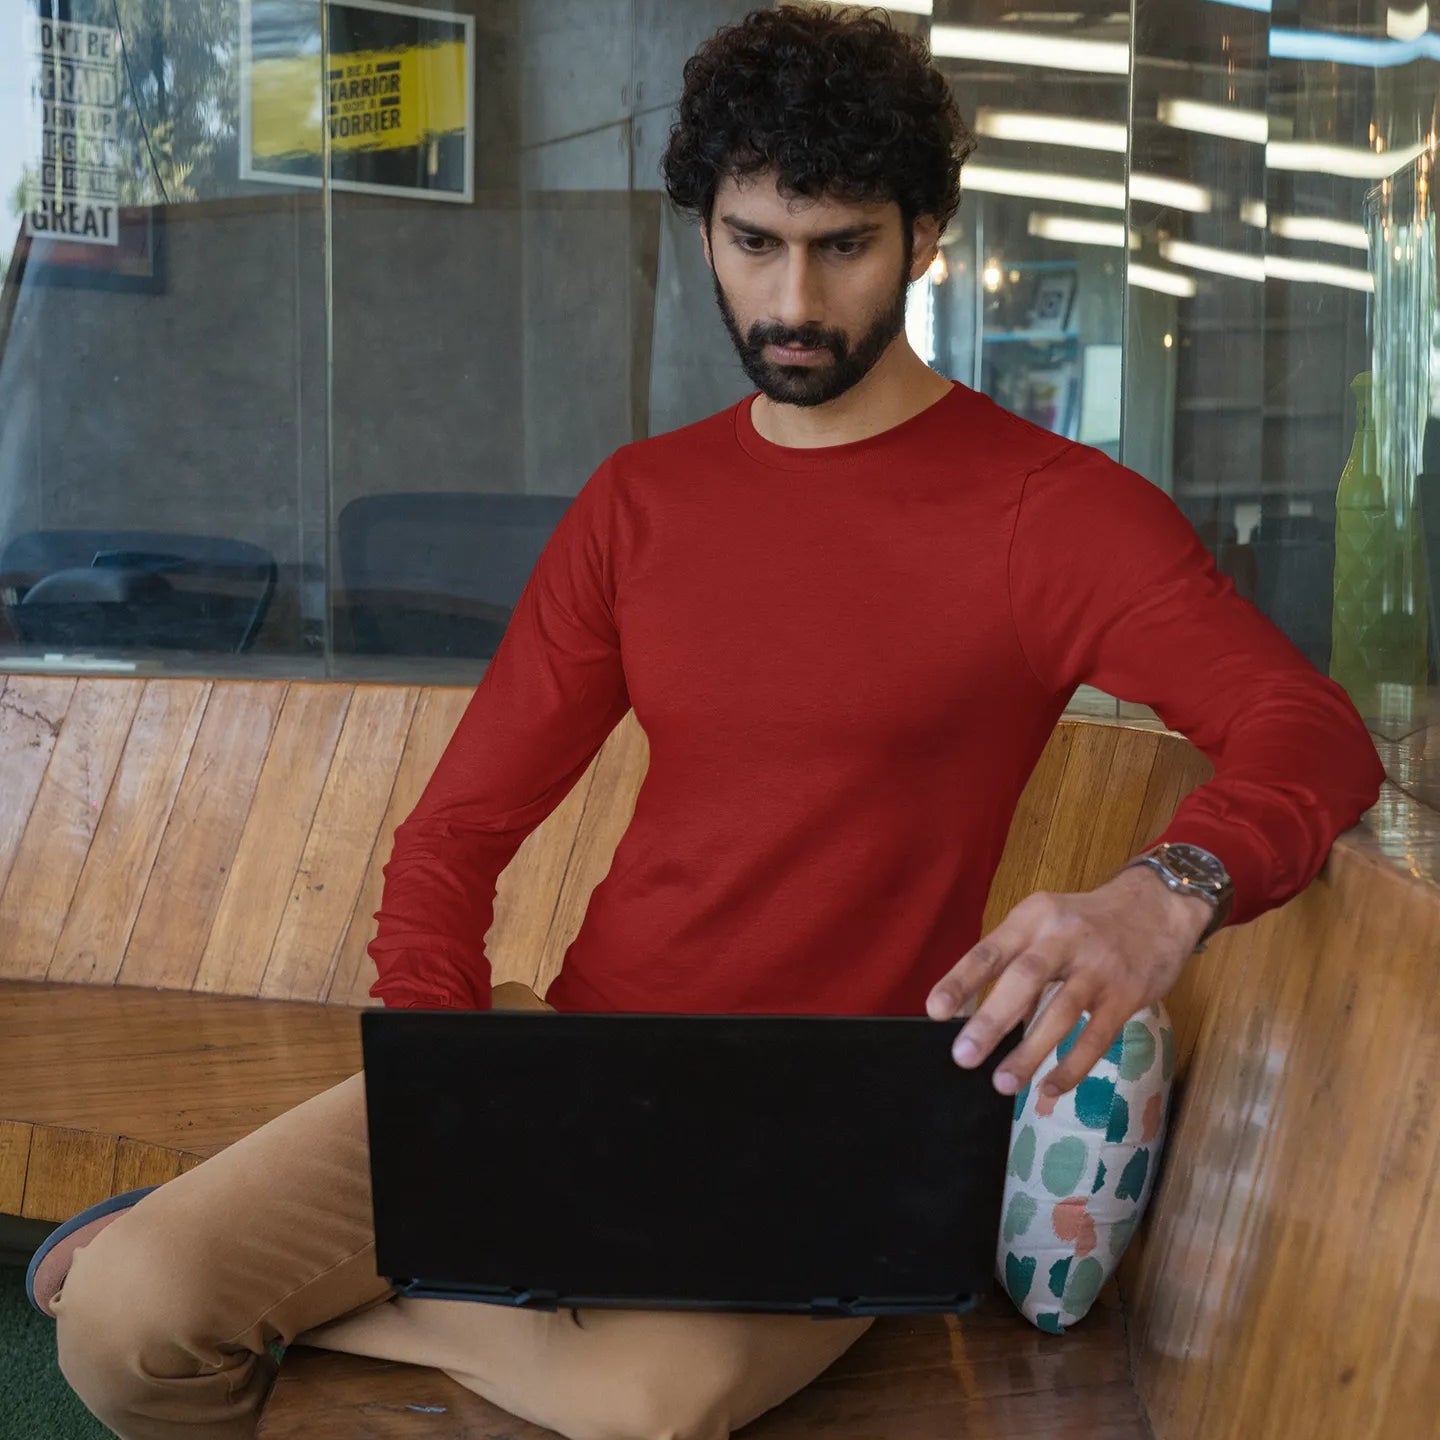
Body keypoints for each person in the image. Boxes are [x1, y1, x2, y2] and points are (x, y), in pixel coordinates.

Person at [35, 7, 1384, 1439]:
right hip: (579, 1061)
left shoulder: (1054, 515)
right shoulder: (641, 504)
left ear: (926, 235)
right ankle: (319, 1262)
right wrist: (448, 1091)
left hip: (844, 1125)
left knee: (645, 1411)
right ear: (706, 232)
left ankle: (371, 1293)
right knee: (125, 1331)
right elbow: (459, 831)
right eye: (753, 241)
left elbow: (1311, 731)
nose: (792, 298)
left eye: (843, 243)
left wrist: (1160, 894)